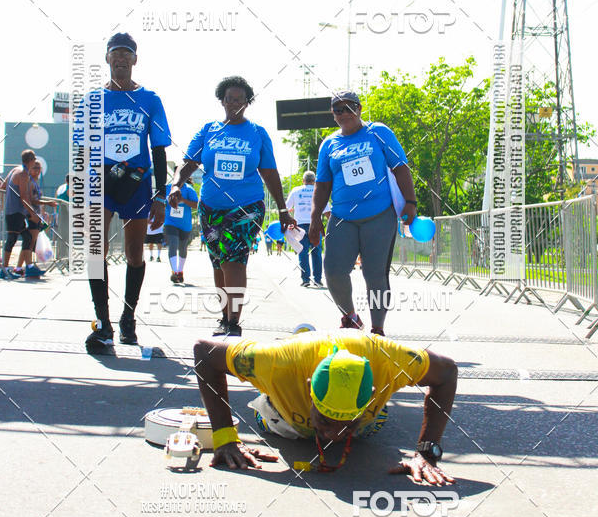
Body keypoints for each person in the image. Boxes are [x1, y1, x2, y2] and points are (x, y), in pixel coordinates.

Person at [193, 331, 457, 481]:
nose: (335, 436)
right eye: (326, 421)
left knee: (374, 422)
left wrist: (427, 453)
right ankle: (301, 334)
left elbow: (447, 372)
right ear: (309, 389)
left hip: (370, 421)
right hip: (283, 418)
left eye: (347, 424)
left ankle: (353, 418)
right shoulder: (274, 362)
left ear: (372, 394)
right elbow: (204, 352)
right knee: (270, 415)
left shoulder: (390, 360)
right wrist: (225, 438)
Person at [169, 75, 295, 338]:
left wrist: (283, 209)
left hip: (247, 207)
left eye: (240, 100)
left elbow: (270, 172)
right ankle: (225, 317)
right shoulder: (208, 130)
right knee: (219, 262)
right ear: (222, 101)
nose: (234, 104)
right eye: (229, 99)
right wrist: (176, 185)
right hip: (211, 208)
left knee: (234, 261)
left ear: (247, 103)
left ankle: (234, 323)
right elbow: (188, 163)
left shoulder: (257, 133)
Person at [82, 33, 171, 354]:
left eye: (126, 53)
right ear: (107, 58)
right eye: (115, 53)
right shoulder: (92, 100)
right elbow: (82, 147)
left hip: (137, 181)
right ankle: (103, 322)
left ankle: (128, 318)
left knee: (135, 253)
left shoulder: (150, 99)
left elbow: (159, 149)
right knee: (96, 249)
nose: (120, 58)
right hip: (101, 180)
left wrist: (160, 195)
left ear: (135, 59)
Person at [309, 91, 417, 337]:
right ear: (333, 114)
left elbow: (400, 168)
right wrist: (315, 219)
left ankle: (378, 329)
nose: (344, 113)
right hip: (342, 217)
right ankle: (351, 317)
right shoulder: (329, 144)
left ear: (359, 109)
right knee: (333, 271)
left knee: (375, 274)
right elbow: (322, 185)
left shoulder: (378, 132)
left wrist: (410, 202)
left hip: (379, 215)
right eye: (338, 110)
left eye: (349, 108)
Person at [0, 150, 44, 279]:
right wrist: (33, 214)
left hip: (14, 211)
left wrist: (5, 202)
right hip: (15, 212)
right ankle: (4, 270)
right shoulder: (23, 174)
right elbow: (24, 198)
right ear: (31, 161)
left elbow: (2, 186)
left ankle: (29, 267)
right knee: (12, 239)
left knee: (27, 238)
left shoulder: (15, 170)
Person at [286, 170, 330, 287]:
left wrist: (289, 220)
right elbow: (327, 212)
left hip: (300, 226)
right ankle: (317, 280)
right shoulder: (319, 191)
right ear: (314, 181)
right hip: (315, 225)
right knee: (316, 252)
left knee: (302, 251)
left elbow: (286, 208)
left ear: (303, 180)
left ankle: (305, 279)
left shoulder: (296, 191)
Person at [164, 179, 198, 283]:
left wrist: (183, 200)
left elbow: (197, 205)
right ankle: (174, 272)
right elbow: (160, 201)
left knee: (182, 248)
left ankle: (180, 270)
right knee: (173, 244)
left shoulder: (189, 189)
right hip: (170, 222)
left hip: (185, 224)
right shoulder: (167, 188)